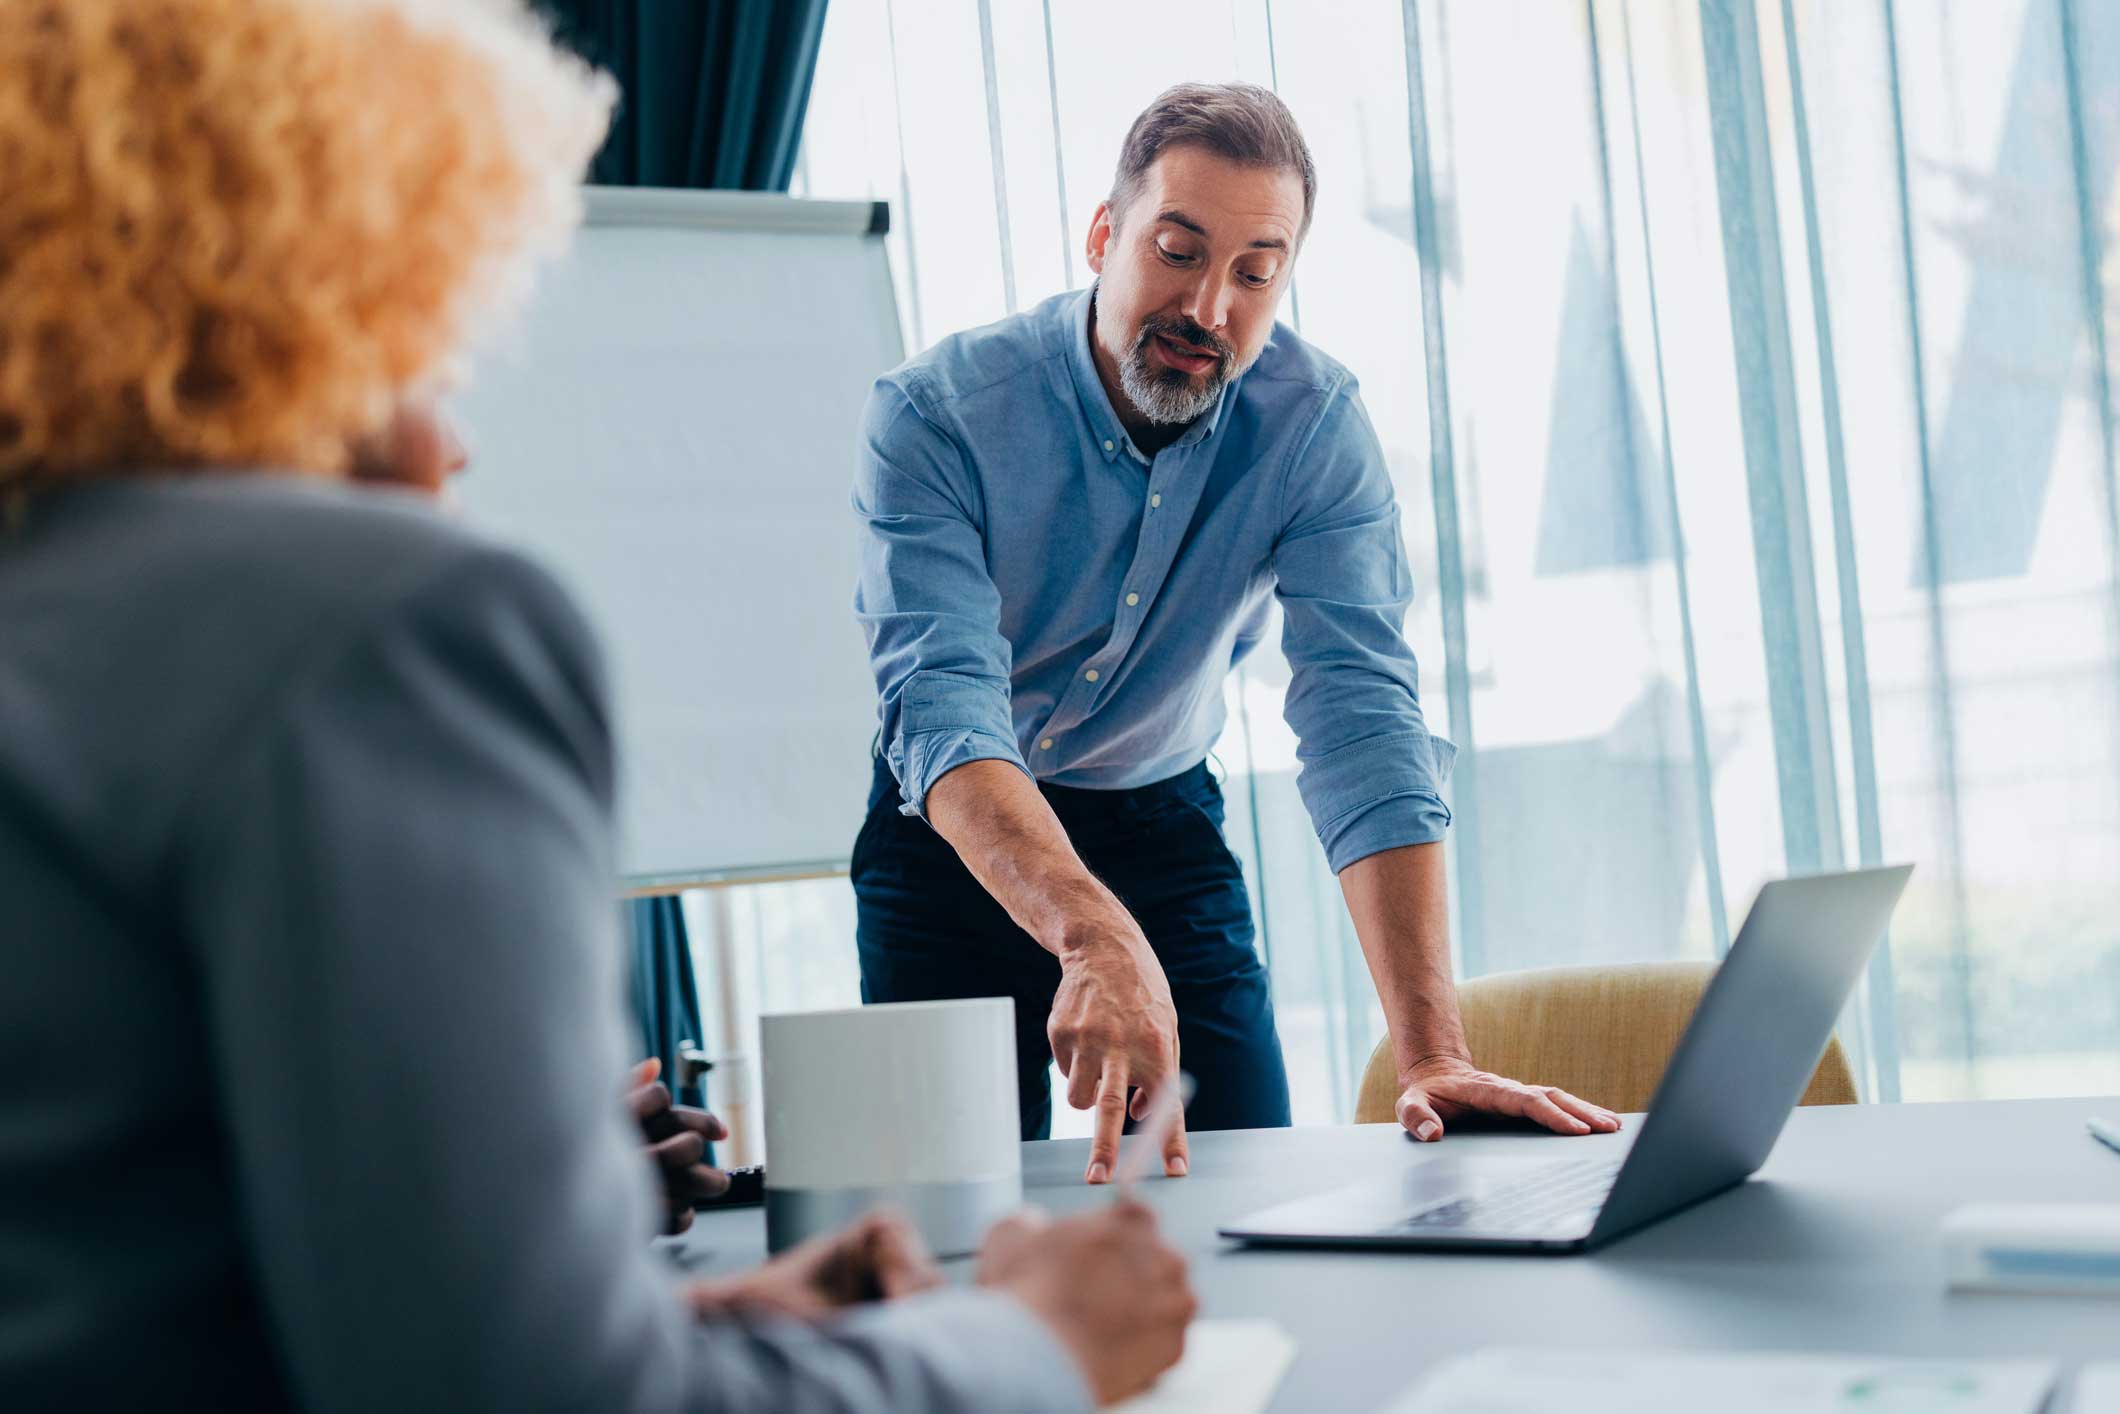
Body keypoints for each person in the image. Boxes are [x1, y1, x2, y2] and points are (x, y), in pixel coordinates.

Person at [0, 1, 1192, 1409]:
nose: (454, 440)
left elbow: (126, 1276)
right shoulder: (372, 627)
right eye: (423, 346)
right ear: (298, 297)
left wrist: (672, 1304)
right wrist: (1031, 1342)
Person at [853, 82, 1622, 1185]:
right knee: (937, 1218)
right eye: (1176, 250)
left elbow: (1361, 720)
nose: (1209, 306)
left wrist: (1431, 1053)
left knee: (1236, 1181)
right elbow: (942, 708)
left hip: (1160, 827)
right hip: (953, 842)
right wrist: (1091, 934)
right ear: (1103, 235)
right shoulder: (935, 416)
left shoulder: (1312, 428)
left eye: (1254, 272)